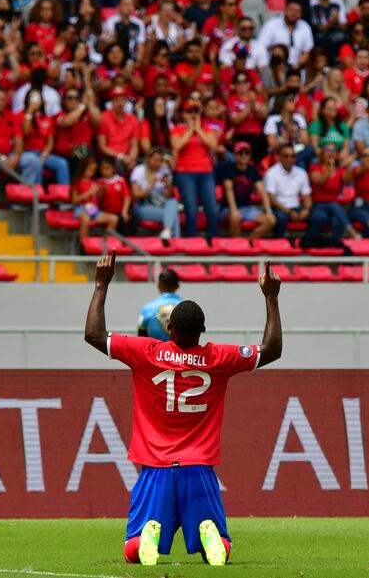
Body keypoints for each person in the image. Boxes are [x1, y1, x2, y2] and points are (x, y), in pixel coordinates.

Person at [83, 249, 282, 567]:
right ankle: (210, 537)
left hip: (156, 467)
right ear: (202, 331)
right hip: (199, 467)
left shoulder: (147, 352)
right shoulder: (218, 357)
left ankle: (148, 536)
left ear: (170, 329)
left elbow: (93, 334)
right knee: (220, 547)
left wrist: (100, 284)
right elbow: (271, 350)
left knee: (133, 550)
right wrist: (271, 298)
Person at [170, 101, 220, 239]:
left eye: (196, 112)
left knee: (211, 207)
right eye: (189, 112)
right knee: (191, 208)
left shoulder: (207, 129)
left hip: (206, 172)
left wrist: (198, 129)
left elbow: (213, 146)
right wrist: (190, 130)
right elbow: (177, 146)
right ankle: (191, 239)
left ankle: (213, 240)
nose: (193, 115)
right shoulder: (178, 129)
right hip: (185, 172)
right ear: (184, 114)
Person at [217, 141, 276, 240]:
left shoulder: (253, 170)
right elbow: (229, 190)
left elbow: (262, 192)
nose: (244, 155)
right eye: (240, 153)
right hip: (227, 208)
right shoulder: (228, 169)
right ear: (235, 154)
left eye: (247, 152)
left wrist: (269, 212)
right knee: (235, 217)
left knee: (271, 221)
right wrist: (234, 210)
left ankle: (249, 242)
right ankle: (237, 244)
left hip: (247, 208)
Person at [130, 147, 180, 241]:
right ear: (148, 159)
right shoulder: (139, 170)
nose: (158, 163)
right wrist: (150, 186)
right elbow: (135, 195)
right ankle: (176, 241)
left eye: (160, 160)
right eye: (155, 160)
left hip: (160, 204)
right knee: (173, 215)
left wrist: (168, 185)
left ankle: (167, 231)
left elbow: (169, 196)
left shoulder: (164, 170)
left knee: (173, 202)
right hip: (143, 206)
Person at [264, 145, 312, 238]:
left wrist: (306, 209)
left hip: (296, 207)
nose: (289, 159)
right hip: (279, 207)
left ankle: (307, 242)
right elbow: (272, 199)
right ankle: (278, 242)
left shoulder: (301, 172)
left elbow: (307, 195)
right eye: (286, 156)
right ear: (279, 157)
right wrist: (289, 212)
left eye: (293, 156)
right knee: (282, 217)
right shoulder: (271, 173)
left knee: (319, 217)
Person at [137, 269, 182, 341]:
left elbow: (141, 339)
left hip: (154, 348)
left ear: (159, 285)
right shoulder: (188, 311)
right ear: (177, 286)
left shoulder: (147, 309)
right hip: (181, 348)